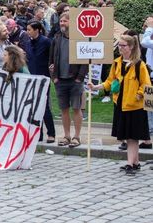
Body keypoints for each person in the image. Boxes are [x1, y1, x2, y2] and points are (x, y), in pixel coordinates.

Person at [88, 34, 152, 174]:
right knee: (127, 136)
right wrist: (96, 87)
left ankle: (130, 163)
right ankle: (135, 162)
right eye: (119, 45)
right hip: (121, 103)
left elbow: (146, 84)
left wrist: (139, 94)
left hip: (135, 105)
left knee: (133, 136)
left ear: (131, 47)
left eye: (123, 46)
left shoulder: (139, 65)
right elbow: (110, 81)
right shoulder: (117, 62)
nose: (120, 48)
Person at [49, 12, 88, 148]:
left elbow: (85, 61)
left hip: (75, 80)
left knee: (76, 109)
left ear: (72, 23)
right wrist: (53, 77)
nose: (62, 24)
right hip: (60, 80)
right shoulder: (57, 38)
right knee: (64, 109)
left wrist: (79, 78)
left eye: (65, 21)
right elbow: (51, 59)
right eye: (60, 21)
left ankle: (76, 137)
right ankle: (66, 136)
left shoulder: (79, 39)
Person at [26, 20, 55, 143]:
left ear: (37, 30)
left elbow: (52, 57)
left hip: (43, 77)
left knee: (44, 106)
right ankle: (38, 133)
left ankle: (51, 133)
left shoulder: (46, 41)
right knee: (34, 106)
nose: (27, 32)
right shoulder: (28, 43)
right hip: (32, 78)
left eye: (29, 30)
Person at [140, 15, 153, 149]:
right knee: (149, 107)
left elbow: (144, 42)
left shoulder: (149, 35)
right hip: (149, 78)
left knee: (150, 109)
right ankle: (148, 139)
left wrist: (149, 28)